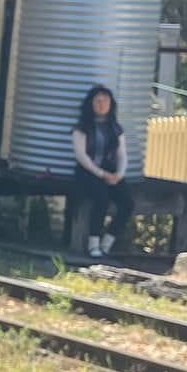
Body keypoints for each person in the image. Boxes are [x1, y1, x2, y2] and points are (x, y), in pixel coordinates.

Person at [71, 83, 133, 257]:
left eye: (105, 101)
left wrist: (119, 174)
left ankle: (107, 244)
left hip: (111, 172)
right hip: (88, 173)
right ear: (90, 104)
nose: (101, 104)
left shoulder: (115, 128)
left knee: (127, 203)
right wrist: (100, 173)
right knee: (101, 200)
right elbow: (82, 156)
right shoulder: (81, 128)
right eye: (97, 101)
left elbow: (122, 154)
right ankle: (93, 245)